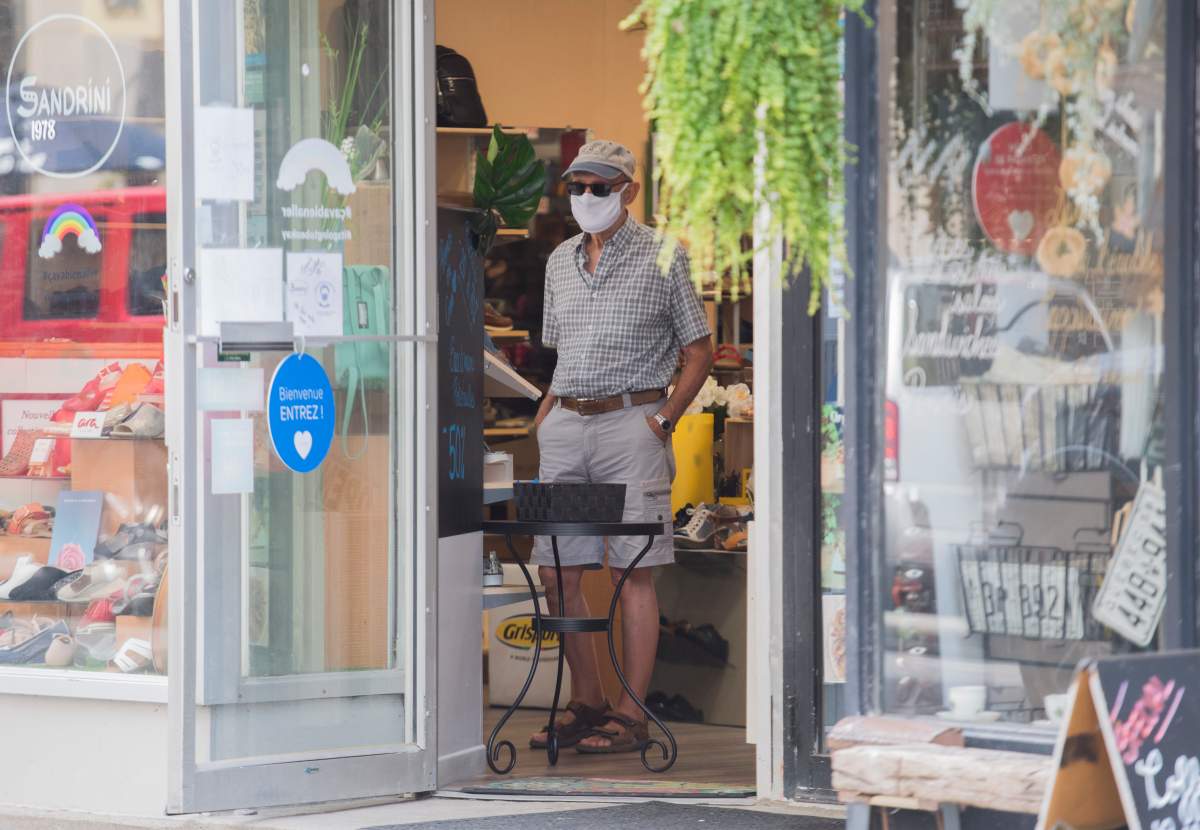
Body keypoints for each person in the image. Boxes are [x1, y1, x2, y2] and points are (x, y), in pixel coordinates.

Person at [529, 140, 713, 754]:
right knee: (558, 570)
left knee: (631, 569)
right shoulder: (559, 261)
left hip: (631, 425)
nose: (586, 198)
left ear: (628, 191)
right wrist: (547, 408)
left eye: (599, 188)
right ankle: (587, 700)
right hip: (567, 426)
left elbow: (698, 351)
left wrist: (662, 421)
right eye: (577, 187)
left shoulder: (666, 256)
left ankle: (632, 714)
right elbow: (564, 351)